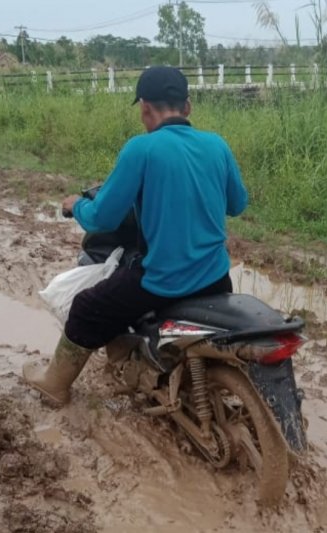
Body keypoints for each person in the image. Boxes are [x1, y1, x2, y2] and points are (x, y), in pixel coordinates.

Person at [23, 66, 248, 405]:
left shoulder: (140, 149)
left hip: (164, 281)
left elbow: (103, 217)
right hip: (216, 278)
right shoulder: (217, 145)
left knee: (86, 307)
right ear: (187, 107)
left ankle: (54, 385)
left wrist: (77, 206)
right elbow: (237, 204)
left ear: (144, 108)